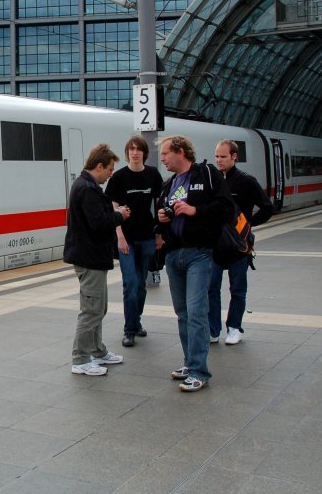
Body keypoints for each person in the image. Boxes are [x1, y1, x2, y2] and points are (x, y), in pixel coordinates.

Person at [157, 135, 233, 392]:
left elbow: (225, 207)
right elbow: (164, 215)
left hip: (199, 253)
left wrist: (195, 211)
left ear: (180, 151)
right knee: (183, 314)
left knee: (197, 312)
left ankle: (200, 371)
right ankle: (190, 363)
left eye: (166, 153)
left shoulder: (207, 173)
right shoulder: (169, 184)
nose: (163, 159)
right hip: (173, 254)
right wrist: (161, 218)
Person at [65, 143, 131, 376]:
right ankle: (81, 358)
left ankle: (97, 350)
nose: (111, 174)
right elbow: (99, 223)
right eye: (110, 169)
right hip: (89, 258)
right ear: (99, 166)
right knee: (91, 310)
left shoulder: (86, 185)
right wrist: (119, 216)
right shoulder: (88, 189)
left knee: (98, 308)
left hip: (92, 257)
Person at [209, 139, 273, 345]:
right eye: (217, 156)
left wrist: (248, 225)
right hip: (215, 243)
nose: (219, 160)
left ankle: (234, 327)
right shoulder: (212, 180)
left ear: (234, 157)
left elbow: (267, 207)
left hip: (239, 244)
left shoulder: (247, 181)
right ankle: (212, 329)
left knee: (237, 288)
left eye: (223, 156)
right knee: (211, 287)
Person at [105, 135, 164, 348]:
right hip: (126, 239)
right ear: (127, 152)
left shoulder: (153, 175)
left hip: (147, 237)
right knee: (130, 283)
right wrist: (119, 236)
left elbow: (159, 205)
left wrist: (159, 234)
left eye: (138, 149)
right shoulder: (119, 178)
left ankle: (136, 322)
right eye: (131, 149)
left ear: (144, 153)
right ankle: (129, 330)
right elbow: (113, 208)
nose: (135, 152)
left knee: (140, 285)